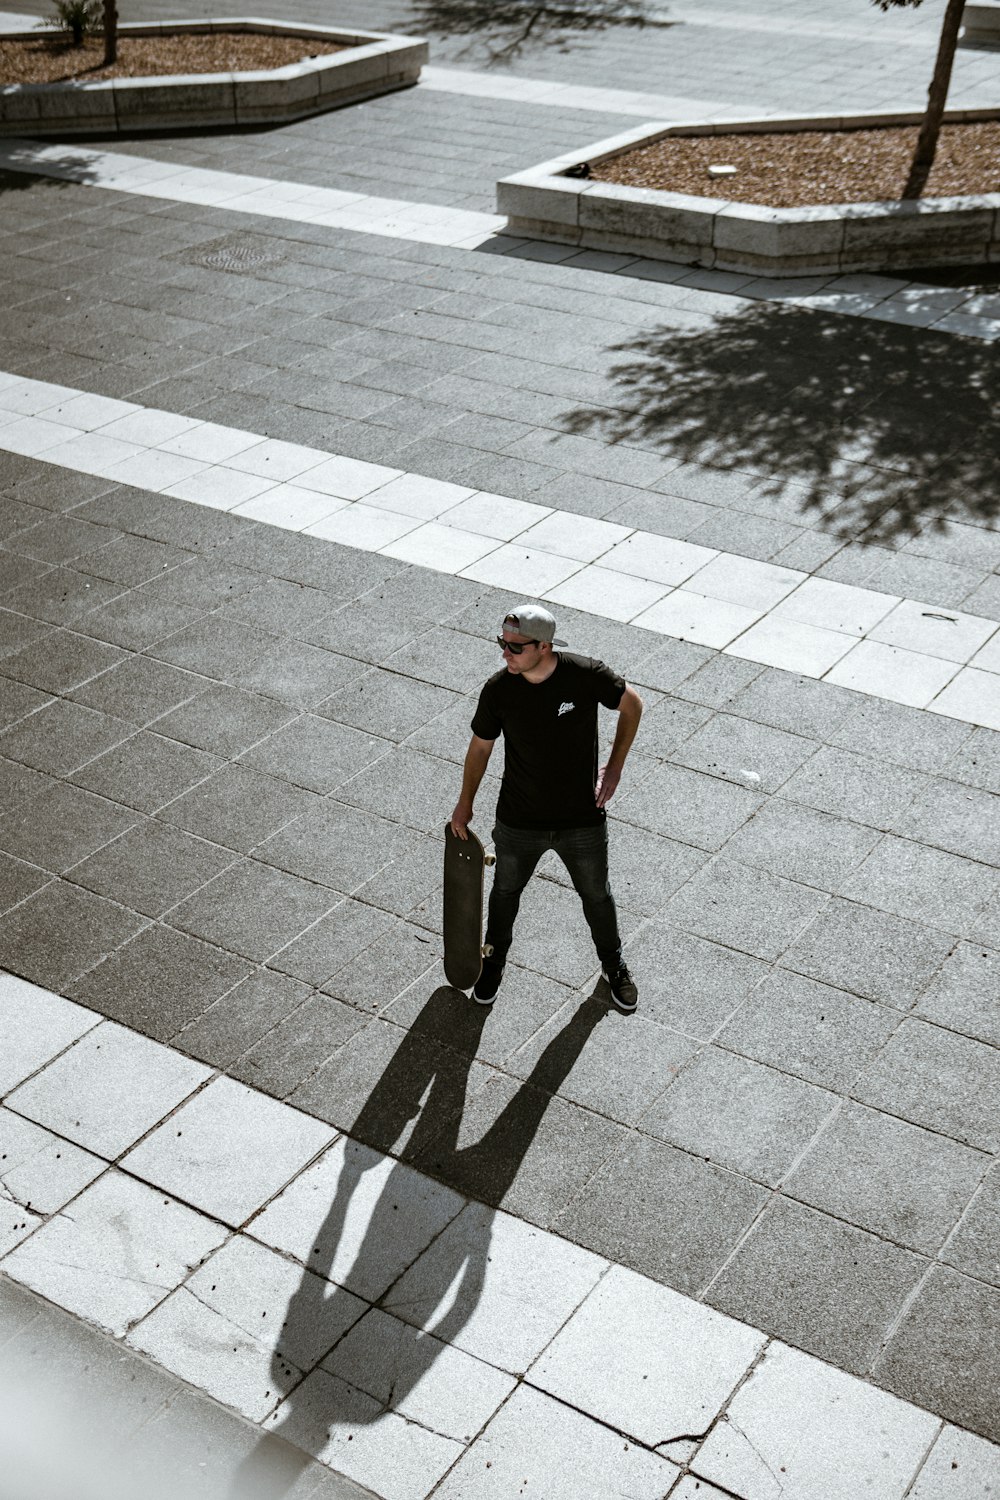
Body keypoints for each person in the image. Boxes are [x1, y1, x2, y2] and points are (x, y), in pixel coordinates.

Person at [450, 603, 643, 1013]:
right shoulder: (499, 689)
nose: (506, 653)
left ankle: (614, 966)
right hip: (519, 821)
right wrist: (464, 804)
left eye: (515, 647)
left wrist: (615, 768)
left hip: (581, 820)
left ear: (545, 646)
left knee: (596, 895)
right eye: (502, 644)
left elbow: (633, 706)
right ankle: (493, 962)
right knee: (504, 893)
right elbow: (480, 747)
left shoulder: (586, 675)